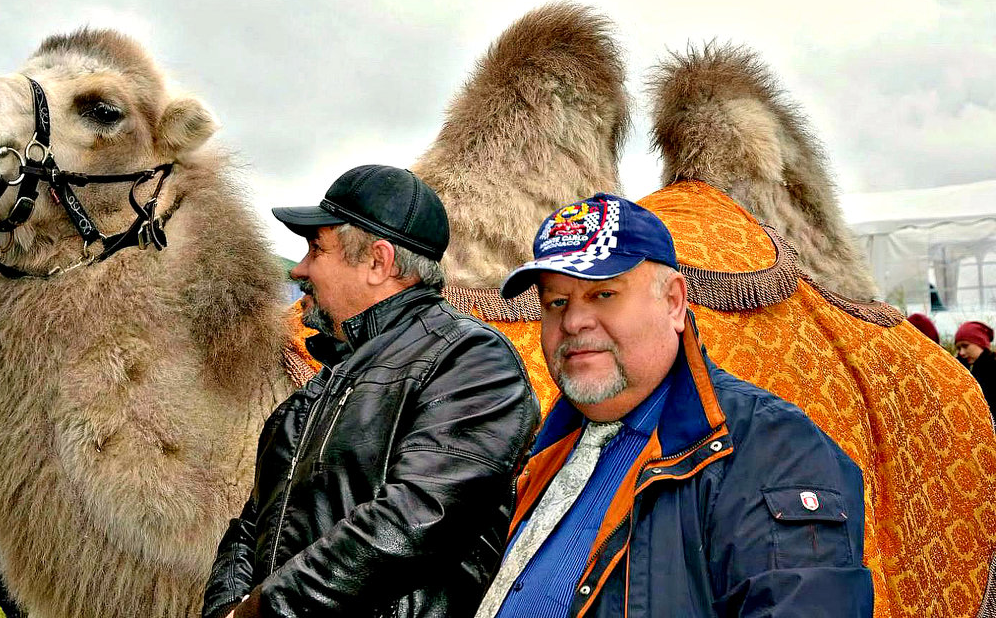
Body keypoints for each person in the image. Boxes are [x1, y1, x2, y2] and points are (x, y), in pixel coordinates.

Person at [475, 195, 873, 618]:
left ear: (673, 302)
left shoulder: (770, 448)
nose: (573, 322)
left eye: (604, 293)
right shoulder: (548, 443)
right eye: (557, 302)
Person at [202, 164, 539, 618]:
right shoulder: (318, 388)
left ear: (378, 262)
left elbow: (418, 515)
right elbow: (252, 526)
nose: (299, 270)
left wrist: (263, 611)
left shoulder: (471, 359)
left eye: (315, 249)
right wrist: (226, 609)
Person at [954, 320, 995, 422]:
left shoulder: (990, 371)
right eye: (959, 348)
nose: (962, 352)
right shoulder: (973, 368)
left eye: (965, 346)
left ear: (981, 343)